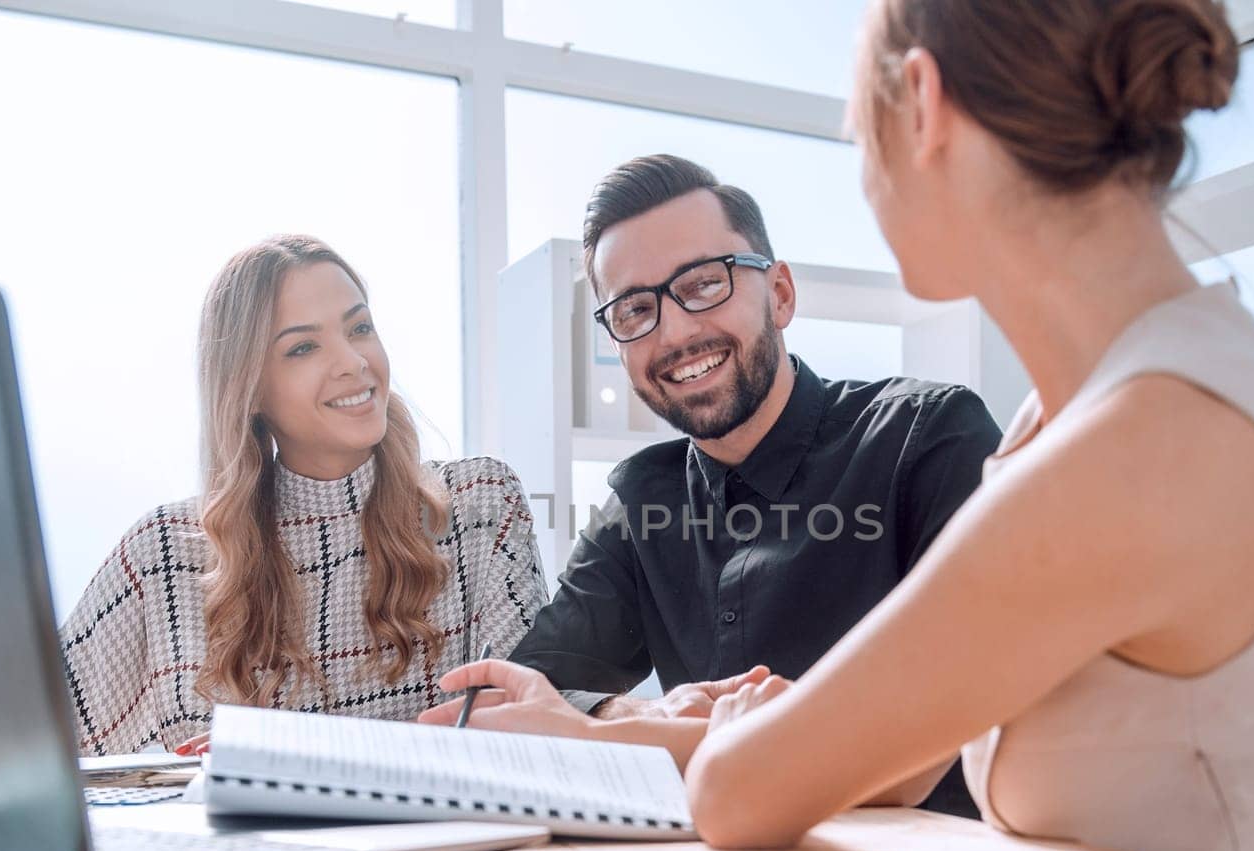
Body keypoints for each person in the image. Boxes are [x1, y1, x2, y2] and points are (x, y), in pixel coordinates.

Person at [677, 0, 1254, 851]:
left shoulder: (1142, 447)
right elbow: (899, 761)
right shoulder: (1089, 411)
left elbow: (737, 794)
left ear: (925, 104)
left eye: (861, 137)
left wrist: (742, 728)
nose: (863, 180)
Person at [420, 155, 1002, 805]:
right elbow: (515, 699)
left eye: (703, 285)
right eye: (636, 309)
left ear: (779, 294)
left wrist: (603, 736)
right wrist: (634, 714)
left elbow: (922, 737)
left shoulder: (931, 440)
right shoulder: (643, 501)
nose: (675, 331)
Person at [59, 235, 547, 755]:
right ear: (249, 389)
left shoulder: (478, 504)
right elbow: (26, 748)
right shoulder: (164, 553)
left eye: (360, 328)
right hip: (230, 840)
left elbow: (530, 734)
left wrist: (296, 754)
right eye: (303, 347)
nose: (353, 362)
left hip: (453, 838)